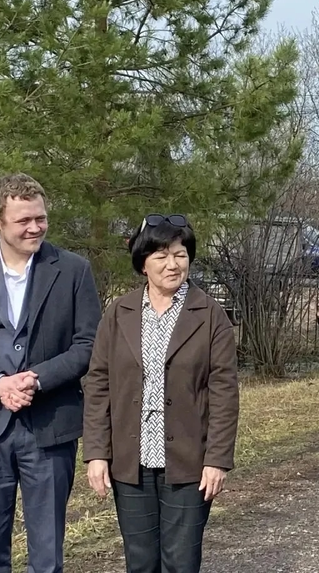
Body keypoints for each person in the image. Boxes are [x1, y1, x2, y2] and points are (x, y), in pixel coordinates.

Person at [83, 214, 240, 573]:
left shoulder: (210, 314)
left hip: (188, 463)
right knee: (140, 562)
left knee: (181, 562)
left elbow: (224, 393)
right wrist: (96, 453)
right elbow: (98, 384)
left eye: (180, 255)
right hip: (131, 463)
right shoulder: (119, 313)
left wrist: (217, 459)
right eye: (162, 256)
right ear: (143, 264)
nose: (173, 264)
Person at [0, 173, 101, 572]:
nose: (35, 227)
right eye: (24, 220)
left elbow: (88, 344)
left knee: (47, 558)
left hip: (50, 430)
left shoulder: (73, 270)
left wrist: (36, 378)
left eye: (41, 218)